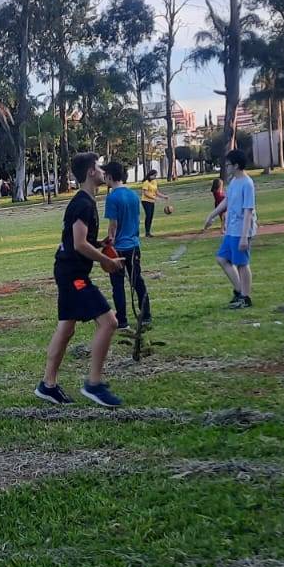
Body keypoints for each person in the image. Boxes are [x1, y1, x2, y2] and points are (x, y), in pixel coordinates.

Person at [38, 152, 124, 408]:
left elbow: (81, 240)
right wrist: (105, 261)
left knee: (66, 328)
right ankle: (94, 383)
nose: (101, 171)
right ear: (90, 172)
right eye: (98, 167)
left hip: (69, 270)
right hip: (73, 275)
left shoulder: (86, 201)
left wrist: (100, 245)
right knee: (109, 322)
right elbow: (78, 243)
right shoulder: (83, 204)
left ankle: (47, 385)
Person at [204, 149, 257, 309]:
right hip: (231, 229)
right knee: (222, 259)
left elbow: (248, 211)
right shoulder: (233, 182)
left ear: (236, 165)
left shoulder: (247, 183)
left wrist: (243, 237)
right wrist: (211, 215)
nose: (226, 167)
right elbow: (226, 201)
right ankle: (239, 291)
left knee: (242, 264)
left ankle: (246, 298)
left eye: (228, 165)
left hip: (241, 229)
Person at [102, 162, 151, 334]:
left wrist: (110, 240)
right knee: (137, 280)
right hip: (134, 245)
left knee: (118, 285)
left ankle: (122, 320)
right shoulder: (133, 195)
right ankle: (146, 315)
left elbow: (113, 224)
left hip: (119, 248)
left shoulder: (112, 197)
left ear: (109, 176)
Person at [140, 169, 163, 237]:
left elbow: (156, 192)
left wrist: (164, 196)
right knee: (148, 215)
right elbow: (145, 193)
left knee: (151, 217)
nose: (155, 177)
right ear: (150, 175)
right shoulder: (146, 182)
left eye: (155, 175)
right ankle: (147, 232)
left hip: (152, 201)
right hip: (146, 201)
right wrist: (154, 198)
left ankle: (148, 232)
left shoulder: (154, 182)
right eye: (154, 175)